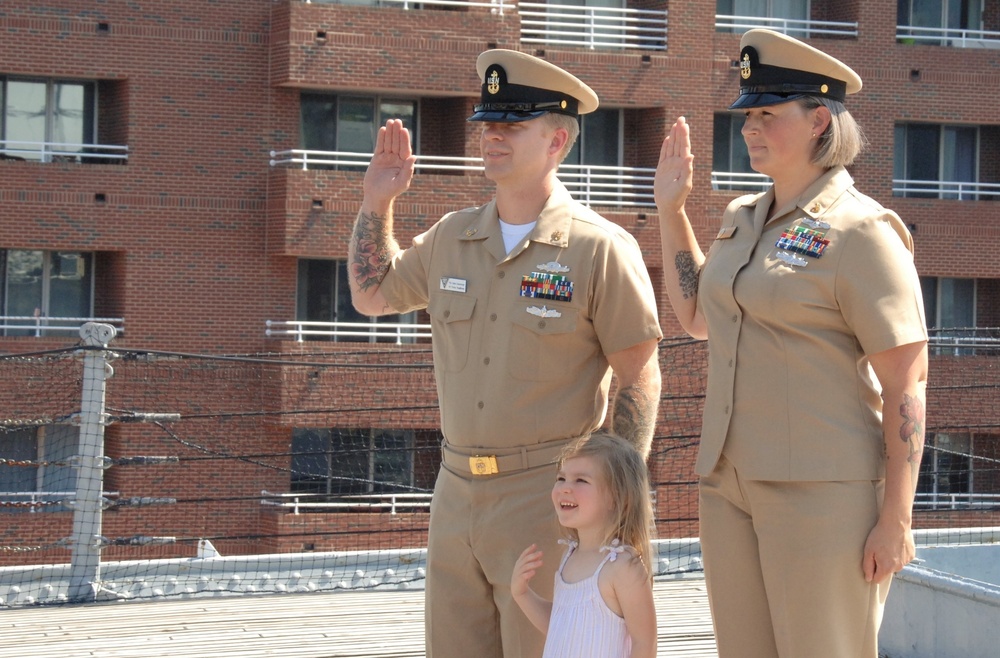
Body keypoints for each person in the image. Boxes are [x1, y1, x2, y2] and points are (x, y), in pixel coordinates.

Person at [349, 49, 662, 658]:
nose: (492, 134)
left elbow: (639, 376)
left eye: (512, 124)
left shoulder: (599, 249)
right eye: (488, 123)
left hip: (546, 496)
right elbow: (372, 294)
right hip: (456, 490)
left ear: (558, 139)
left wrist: (614, 503)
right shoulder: (451, 236)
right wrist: (375, 202)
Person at [652, 29, 929, 658]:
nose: (751, 128)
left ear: (820, 121)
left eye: (768, 115)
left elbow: (906, 382)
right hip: (728, 485)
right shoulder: (742, 218)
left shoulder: (862, 232)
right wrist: (672, 210)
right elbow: (697, 315)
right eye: (749, 114)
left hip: (821, 494)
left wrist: (897, 519)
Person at [511, 432, 657, 658]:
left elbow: (644, 643)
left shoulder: (623, 566)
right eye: (561, 478)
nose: (565, 488)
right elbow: (561, 626)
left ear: (617, 498)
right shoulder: (569, 556)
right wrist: (521, 593)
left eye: (581, 480)